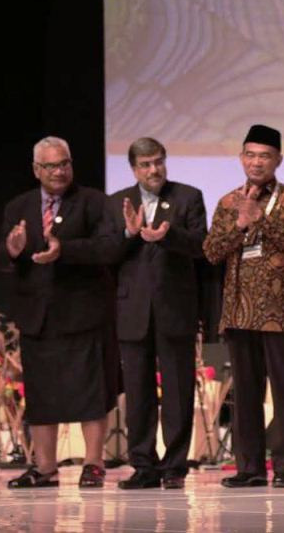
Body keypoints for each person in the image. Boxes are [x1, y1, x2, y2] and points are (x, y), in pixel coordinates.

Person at [0, 137, 122, 489]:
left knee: (90, 392)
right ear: (36, 170)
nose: (59, 171)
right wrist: (12, 248)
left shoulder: (95, 202)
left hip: (84, 311)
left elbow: (108, 247)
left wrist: (63, 250)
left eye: (64, 163)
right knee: (42, 394)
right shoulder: (18, 206)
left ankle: (93, 464)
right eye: (50, 166)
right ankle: (45, 467)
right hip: (39, 314)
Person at [203, 124, 284, 488]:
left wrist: (262, 220)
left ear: (278, 159)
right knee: (245, 394)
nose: (256, 162)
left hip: (280, 313)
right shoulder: (228, 202)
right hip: (238, 310)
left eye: (264, 156)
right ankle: (249, 468)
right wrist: (240, 224)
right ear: (241, 158)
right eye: (250, 154)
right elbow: (212, 251)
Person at [109, 137, 207, 490]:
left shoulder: (188, 196)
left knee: (179, 390)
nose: (155, 170)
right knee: (137, 392)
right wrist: (128, 233)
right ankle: (143, 465)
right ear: (134, 169)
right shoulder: (118, 202)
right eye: (147, 164)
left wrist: (167, 235)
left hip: (174, 307)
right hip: (133, 309)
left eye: (159, 162)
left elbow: (201, 245)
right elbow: (107, 253)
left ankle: (175, 467)